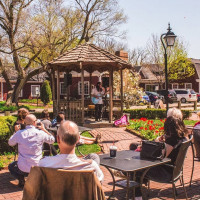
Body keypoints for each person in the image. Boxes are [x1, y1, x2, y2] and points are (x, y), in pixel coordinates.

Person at [134, 116, 188, 200]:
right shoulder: (184, 138)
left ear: (168, 128)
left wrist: (157, 141)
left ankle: (138, 197)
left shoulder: (172, 141)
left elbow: (160, 156)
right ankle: (141, 181)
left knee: (137, 170)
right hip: (176, 171)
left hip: (166, 174)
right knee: (141, 171)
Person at [39, 120, 104, 182]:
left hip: (54, 193)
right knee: (94, 156)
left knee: (93, 156)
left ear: (58, 139)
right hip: (80, 193)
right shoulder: (91, 166)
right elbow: (98, 187)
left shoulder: (43, 163)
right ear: (78, 139)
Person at [8, 114, 55, 187]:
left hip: (22, 168)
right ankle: (38, 179)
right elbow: (52, 140)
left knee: (11, 166)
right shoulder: (40, 133)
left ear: (25, 122)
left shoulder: (20, 133)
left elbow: (10, 143)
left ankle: (21, 179)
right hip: (37, 166)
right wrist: (44, 129)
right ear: (34, 122)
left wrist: (16, 132)